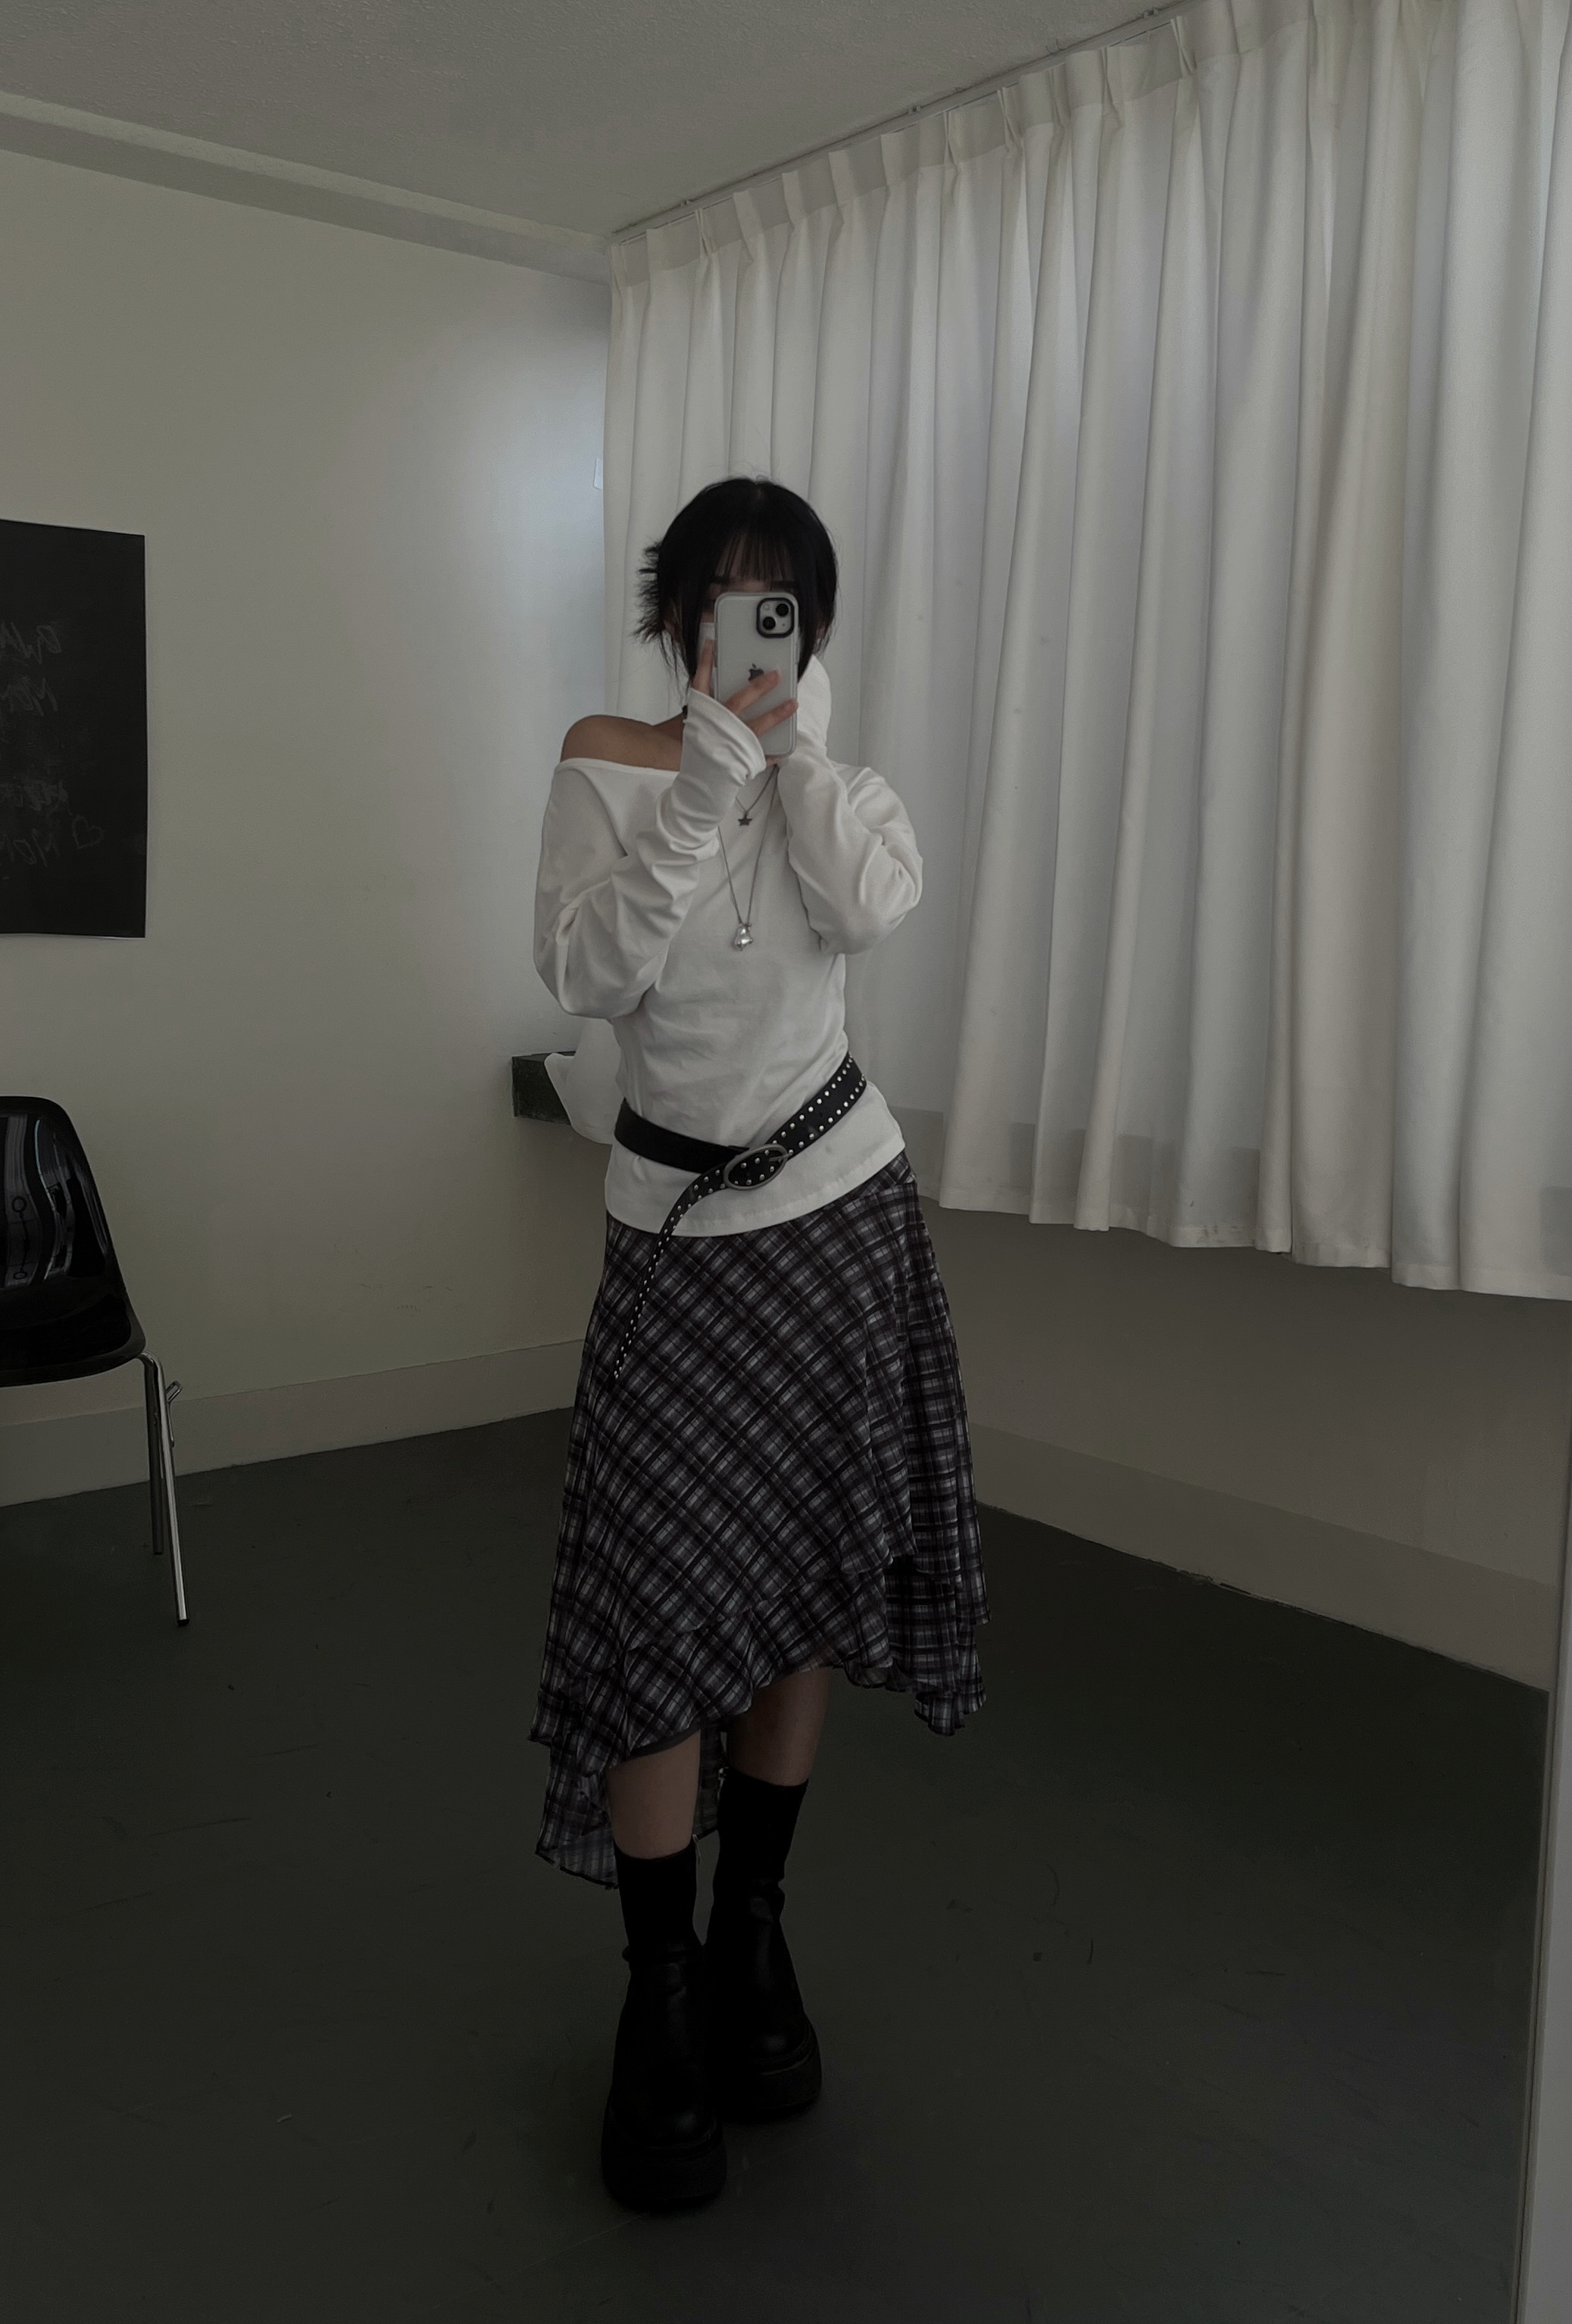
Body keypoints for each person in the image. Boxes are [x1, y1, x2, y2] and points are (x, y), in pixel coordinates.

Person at [530, 474, 987, 2210]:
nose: (748, 628)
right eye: (721, 596)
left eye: (779, 602)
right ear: (673, 614)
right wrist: (704, 777)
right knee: (660, 1605)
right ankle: (656, 1990)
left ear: (810, 624)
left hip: (837, 1218)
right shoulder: (604, 760)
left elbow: (865, 913)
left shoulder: (836, 792)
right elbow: (590, 976)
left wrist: (786, 767)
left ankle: (752, 1934)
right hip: (675, 1245)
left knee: (800, 1581)